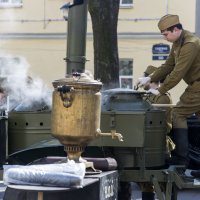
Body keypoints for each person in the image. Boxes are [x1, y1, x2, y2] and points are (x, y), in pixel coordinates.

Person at [137, 14, 200, 166]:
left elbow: (178, 72)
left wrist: (161, 89)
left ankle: (181, 158)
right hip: (195, 85)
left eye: (166, 34)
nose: (164, 37)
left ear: (176, 29)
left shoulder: (190, 44)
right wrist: (150, 78)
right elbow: (168, 66)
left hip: (198, 86)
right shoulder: (179, 43)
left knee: (178, 114)